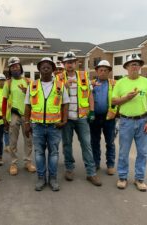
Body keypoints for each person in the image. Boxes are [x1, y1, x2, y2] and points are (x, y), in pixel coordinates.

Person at [112, 54, 147, 192]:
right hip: (126, 121)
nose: (135, 66)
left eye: (137, 64)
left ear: (140, 67)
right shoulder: (120, 83)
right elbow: (113, 101)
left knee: (142, 152)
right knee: (124, 152)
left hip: (143, 121)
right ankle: (122, 177)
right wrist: (127, 97)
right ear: (126, 67)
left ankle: (139, 179)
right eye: (132, 64)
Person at [25, 57, 69, 191]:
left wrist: (65, 120)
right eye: (42, 66)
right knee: (39, 153)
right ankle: (41, 178)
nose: (45, 68)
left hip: (54, 126)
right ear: (39, 69)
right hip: (37, 126)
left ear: (53, 70)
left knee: (54, 153)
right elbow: (27, 105)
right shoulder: (32, 85)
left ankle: (53, 179)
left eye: (48, 66)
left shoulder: (60, 86)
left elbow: (65, 103)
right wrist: (27, 122)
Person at [61, 51, 102, 186]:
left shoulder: (84, 76)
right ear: (64, 64)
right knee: (67, 144)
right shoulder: (59, 78)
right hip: (66, 118)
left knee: (86, 144)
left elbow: (90, 95)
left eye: (72, 62)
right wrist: (63, 87)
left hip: (82, 118)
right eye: (67, 62)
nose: (70, 65)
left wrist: (91, 111)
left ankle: (91, 173)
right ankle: (69, 169)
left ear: (76, 63)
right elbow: (55, 98)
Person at [2, 57, 36, 175]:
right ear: (10, 70)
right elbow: (4, 101)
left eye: (16, 66)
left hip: (27, 115)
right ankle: (13, 163)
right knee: (13, 141)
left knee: (28, 139)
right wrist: (4, 117)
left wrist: (27, 91)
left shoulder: (29, 81)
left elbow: (35, 98)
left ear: (20, 67)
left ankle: (28, 162)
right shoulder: (8, 83)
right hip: (14, 115)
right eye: (12, 67)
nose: (15, 68)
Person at [90, 60, 117, 175]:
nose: (103, 72)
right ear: (97, 71)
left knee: (110, 142)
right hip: (94, 117)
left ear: (109, 72)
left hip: (109, 117)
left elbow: (118, 98)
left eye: (106, 70)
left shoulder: (114, 83)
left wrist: (115, 113)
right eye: (101, 70)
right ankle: (96, 163)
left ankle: (110, 165)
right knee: (94, 142)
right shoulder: (91, 84)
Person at [0, 74, 10, 152]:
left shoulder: (7, 89)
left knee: (6, 130)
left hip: (6, 113)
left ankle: (7, 145)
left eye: (2, 80)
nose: (1, 82)